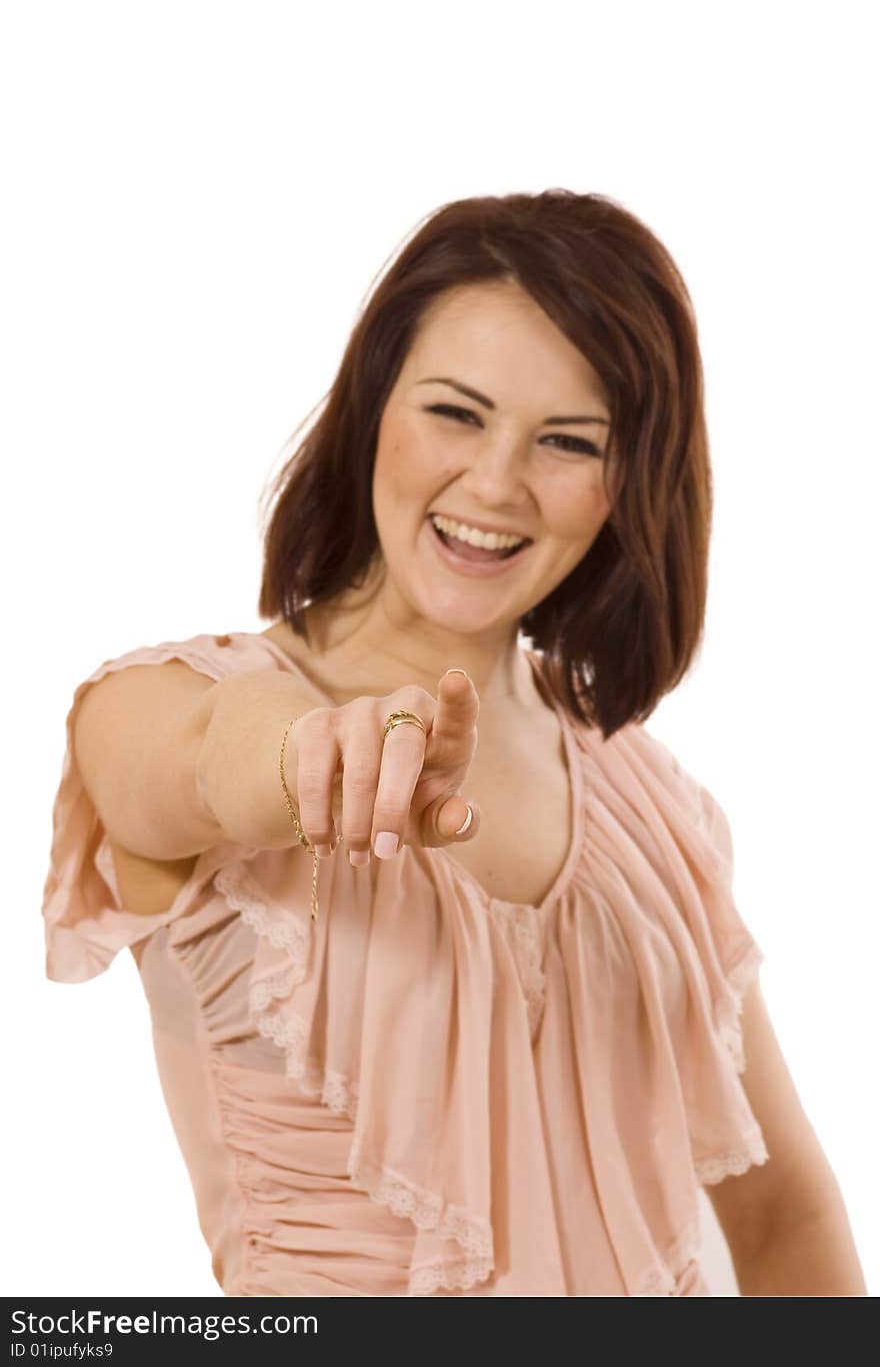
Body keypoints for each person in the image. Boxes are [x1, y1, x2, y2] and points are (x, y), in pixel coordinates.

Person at [41, 190, 865, 1297]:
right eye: (456, 413)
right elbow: (195, 762)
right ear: (373, 407)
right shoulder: (157, 702)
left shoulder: (655, 805)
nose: (493, 483)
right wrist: (312, 758)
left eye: (567, 441)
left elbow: (777, 1218)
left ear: (628, 486)